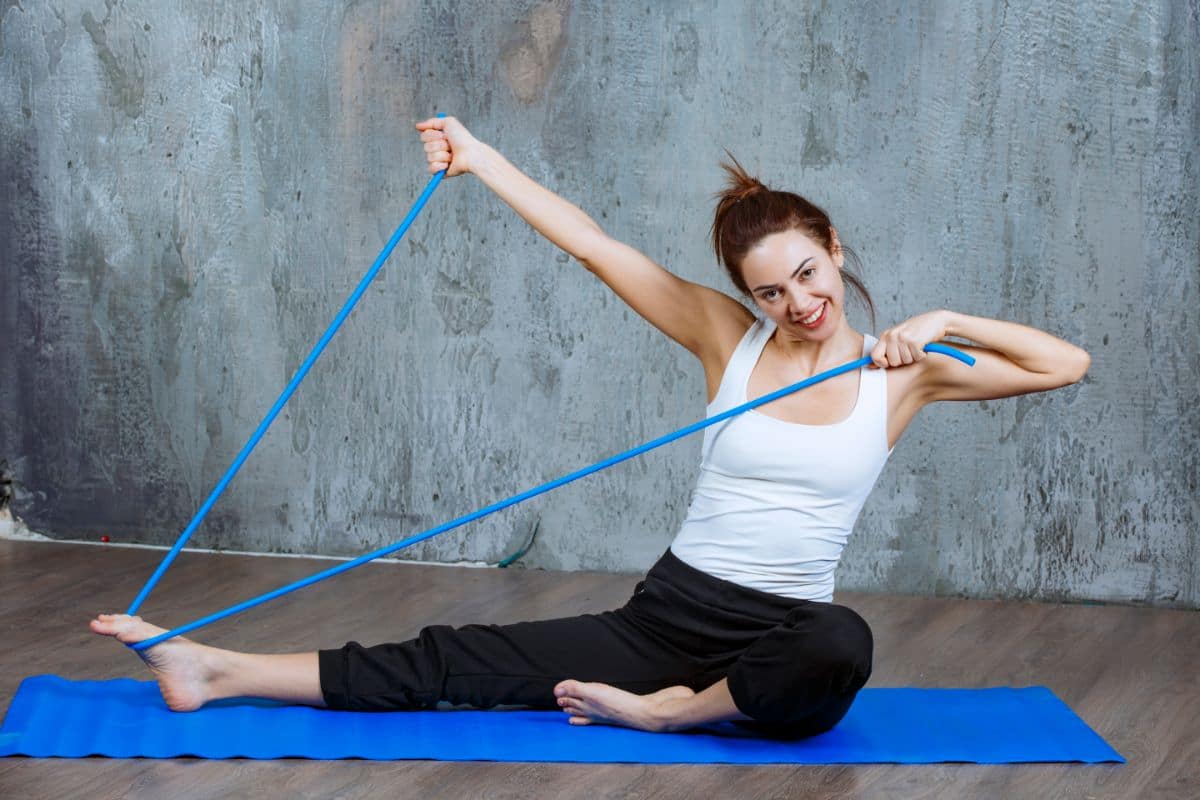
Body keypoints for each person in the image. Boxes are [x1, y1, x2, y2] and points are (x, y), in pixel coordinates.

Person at [91, 116, 1090, 738]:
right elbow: (595, 246)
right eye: (771, 289)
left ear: (835, 249)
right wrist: (480, 161)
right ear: (749, 294)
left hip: (786, 633)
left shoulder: (903, 379)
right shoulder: (721, 335)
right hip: (672, 616)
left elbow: (1066, 364)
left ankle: (680, 710)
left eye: (808, 274)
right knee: (460, 659)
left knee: (842, 642)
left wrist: (946, 321)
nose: (797, 301)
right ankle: (215, 665)